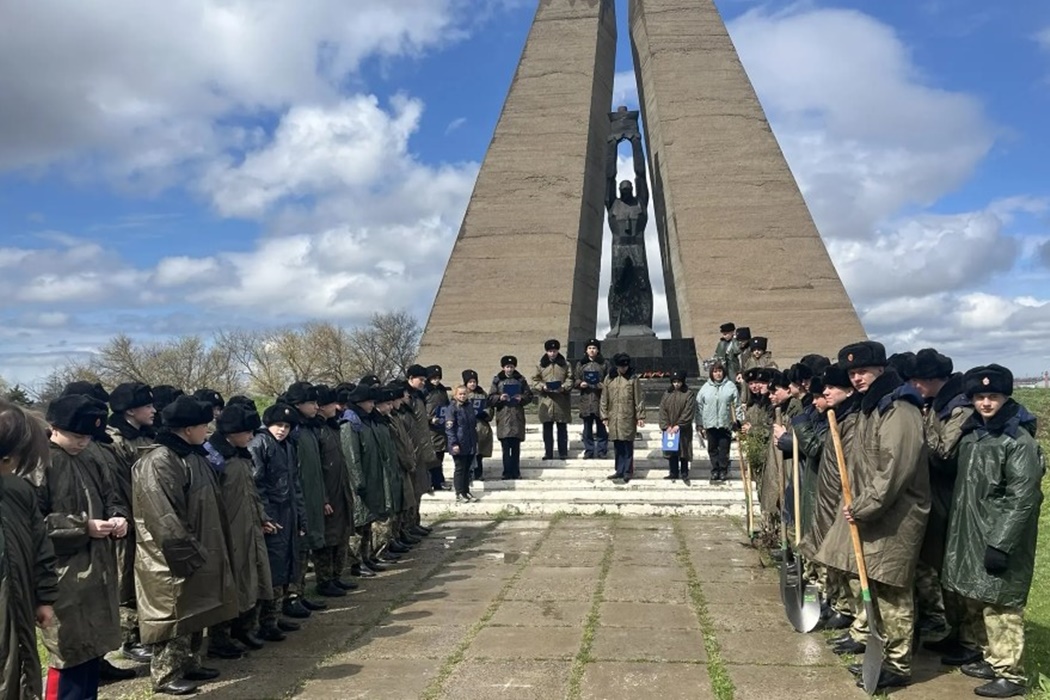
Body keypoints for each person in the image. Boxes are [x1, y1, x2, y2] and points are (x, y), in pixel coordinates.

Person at [818, 341, 929, 691]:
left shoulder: (899, 409)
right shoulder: (871, 407)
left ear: (881, 369)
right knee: (876, 588)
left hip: (897, 515)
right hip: (872, 512)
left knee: (893, 591)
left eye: (863, 371)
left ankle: (898, 664)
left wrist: (863, 505)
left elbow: (895, 469)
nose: (857, 377)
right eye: (852, 373)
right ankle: (881, 654)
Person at [941, 365, 1044, 699]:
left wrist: (1000, 543)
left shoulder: (1017, 441)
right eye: (980, 396)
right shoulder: (973, 435)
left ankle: (1010, 674)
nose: (986, 403)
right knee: (977, 598)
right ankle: (990, 657)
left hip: (998, 535)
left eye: (993, 396)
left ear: (1005, 397)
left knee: (1001, 606)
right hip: (971, 533)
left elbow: (1023, 498)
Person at [133, 395, 237, 695]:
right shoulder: (160, 460)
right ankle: (166, 674)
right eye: (204, 426)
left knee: (195, 609)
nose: (208, 431)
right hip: (170, 556)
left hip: (197, 547)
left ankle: (190, 662)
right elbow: (163, 516)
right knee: (173, 614)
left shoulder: (193, 455)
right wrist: (187, 552)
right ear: (188, 429)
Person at [31, 394, 126, 699]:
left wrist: (118, 517)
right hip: (59, 572)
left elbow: (111, 494)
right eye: (76, 436)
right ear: (55, 427)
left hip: (97, 566)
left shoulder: (91, 456)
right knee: (68, 652)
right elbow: (31, 523)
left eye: (88, 436)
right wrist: (83, 527)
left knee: (92, 649)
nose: (83, 442)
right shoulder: (38, 463)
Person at [203, 403, 273, 657]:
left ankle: (244, 628)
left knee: (253, 579)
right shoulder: (214, 458)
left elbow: (251, 492)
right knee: (230, 583)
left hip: (249, 527)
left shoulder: (241, 455)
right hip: (227, 531)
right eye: (247, 432)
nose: (251, 437)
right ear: (232, 432)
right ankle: (220, 638)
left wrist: (261, 516)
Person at [0, 400, 58, 700]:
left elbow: (40, 545)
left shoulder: (18, 490)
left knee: (20, 675)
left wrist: (44, 597)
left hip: (18, 610)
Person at [103, 381, 157, 665]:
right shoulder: (114, 442)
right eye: (147, 406)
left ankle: (147, 633)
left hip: (147, 517)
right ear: (130, 411)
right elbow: (116, 486)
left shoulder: (146, 436)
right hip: (126, 520)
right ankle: (130, 639)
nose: (153, 410)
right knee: (125, 580)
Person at [249, 403, 305, 643]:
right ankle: (263, 622)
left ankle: (275, 616)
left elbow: (295, 483)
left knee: (285, 565)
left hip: (288, 512)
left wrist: (300, 516)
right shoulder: (260, 444)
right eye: (278, 425)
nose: (282, 430)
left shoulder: (288, 446)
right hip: (273, 514)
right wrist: (266, 516)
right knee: (272, 567)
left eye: (286, 426)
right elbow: (257, 485)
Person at [283, 382, 327, 615]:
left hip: (312, 496)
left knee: (306, 547)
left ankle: (300, 593)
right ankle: (291, 597)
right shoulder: (293, 431)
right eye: (311, 402)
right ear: (298, 404)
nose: (316, 407)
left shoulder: (309, 428)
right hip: (298, 500)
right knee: (298, 550)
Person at [314, 384, 357, 596]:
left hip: (340, 489)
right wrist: (323, 498)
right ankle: (324, 580)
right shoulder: (317, 430)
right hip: (327, 492)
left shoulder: (333, 427)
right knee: (328, 537)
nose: (336, 408)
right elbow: (316, 469)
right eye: (332, 404)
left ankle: (336, 576)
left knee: (341, 534)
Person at [601, 353, 645, 483]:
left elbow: (639, 398)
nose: (623, 369)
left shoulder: (633, 379)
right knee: (617, 445)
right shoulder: (609, 378)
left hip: (628, 416)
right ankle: (619, 470)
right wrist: (604, 416)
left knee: (627, 445)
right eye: (621, 366)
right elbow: (604, 398)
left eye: (625, 366)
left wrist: (640, 416)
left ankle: (627, 471)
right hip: (614, 417)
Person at [488, 356, 534, 480]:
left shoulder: (520, 379)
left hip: (516, 416)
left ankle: (516, 471)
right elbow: (490, 398)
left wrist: (521, 398)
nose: (509, 369)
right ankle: (506, 471)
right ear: (503, 367)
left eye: (512, 367)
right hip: (503, 416)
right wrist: (499, 398)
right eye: (507, 367)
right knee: (505, 447)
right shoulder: (497, 380)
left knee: (516, 447)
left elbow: (529, 395)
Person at [696, 360, 740, 484]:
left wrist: (738, 420)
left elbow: (736, 405)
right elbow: (699, 407)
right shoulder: (705, 388)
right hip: (710, 423)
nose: (718, 374)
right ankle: (715, 469)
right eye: (715, 372)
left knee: (724, 449)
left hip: (725, 423)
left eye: (720, 371)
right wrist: (699, 423)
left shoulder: (730, 386)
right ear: (711, 373)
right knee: (712, 448)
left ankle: (723, 469)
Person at [532, 339, 574, 460]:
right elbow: (535, 380)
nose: (552, 353)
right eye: (550, 351)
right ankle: (548, 452)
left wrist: (564, 387)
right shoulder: (540, 365)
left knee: (562, 428)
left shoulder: (565, 364)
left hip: (561, 400)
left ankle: (563, 452)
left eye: (554, 351)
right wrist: (542, 387)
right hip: (546, 400)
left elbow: (570, 378)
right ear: (546, 352)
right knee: (547, 428)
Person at [574, 339, 610, 459]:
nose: (592, 350)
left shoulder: (604, 364)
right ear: (586, 350)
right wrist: (580, 384)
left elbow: (609, 380)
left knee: (601, 427)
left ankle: (602, 450)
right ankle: (589, 450)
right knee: (587, 428)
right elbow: (575, 379)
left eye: (594, 348)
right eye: (589, 348)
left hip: (600, 399)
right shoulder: (581, 364)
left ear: (598, 350)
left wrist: (602, 385)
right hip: (586, 399)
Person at [658, 370, 696, 482]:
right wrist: (666, 426)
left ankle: (684, 472)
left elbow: (688, 411)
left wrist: (679, 425)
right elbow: (662, 410)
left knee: (684, 450)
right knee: (671, 450)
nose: (676, 384)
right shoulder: (667, 394)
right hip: (669, 428)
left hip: (683, 429)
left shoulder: (688, 394)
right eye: (674, 382)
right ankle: (673, 472)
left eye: (678, 382)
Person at [445, 385, 480, 502]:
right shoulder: (452, 408)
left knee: (467, 468)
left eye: (464, 394)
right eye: (460, 394)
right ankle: (459, 492)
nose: (462, 396)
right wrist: (454, 443)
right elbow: (450, 428)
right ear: (455, 395)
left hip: (469, 442)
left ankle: (466, 491)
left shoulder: (469, 407)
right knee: (460, 468)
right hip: (458, 443)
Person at [424, 366, 451, 490]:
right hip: (429, 428)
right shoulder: (425, 391)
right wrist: (430, 419)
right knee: (432, 456)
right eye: (433, 378)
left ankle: (438, 481)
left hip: (441, 426)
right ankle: (433, 481)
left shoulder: (442, 390)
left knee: (439, 455)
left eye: (438, 378)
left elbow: (447, 405)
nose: (436, 380)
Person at [463, 370, 493, 481]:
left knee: (479, 452)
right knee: (468, 453)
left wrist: (485, 413)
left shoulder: (482, 394)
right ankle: (468, 474)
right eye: (470, 382)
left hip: (480, 427)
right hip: (467, 427)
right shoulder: (462, 393)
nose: (472, 384)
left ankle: (478, 473)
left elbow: (489, 407)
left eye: (474, 382)